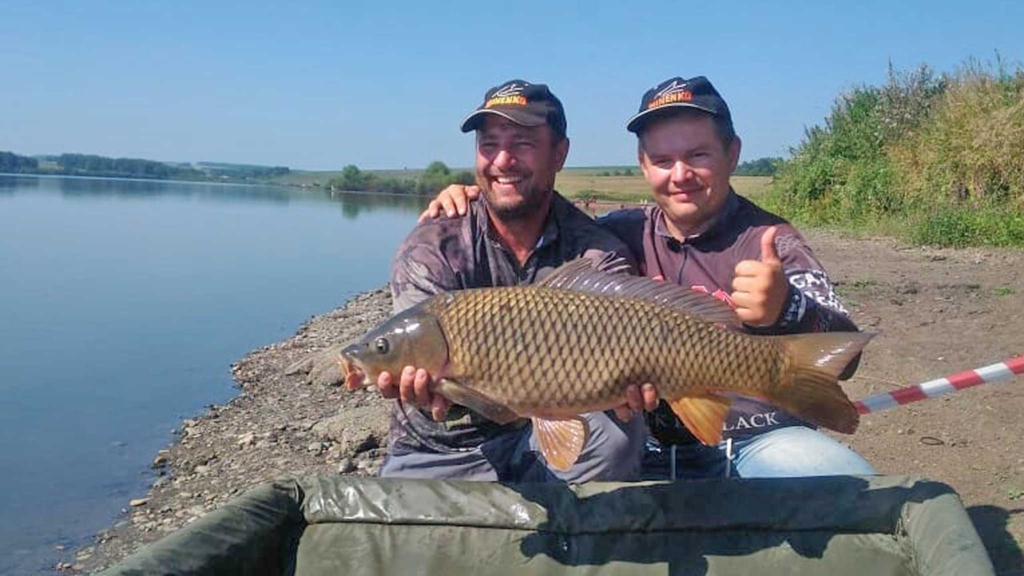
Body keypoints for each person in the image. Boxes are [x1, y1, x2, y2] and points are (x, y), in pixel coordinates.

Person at [422, 76, 876, 480]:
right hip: (643, 448)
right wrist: (472, 194)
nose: (680, 175)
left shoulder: (770, 241)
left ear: (732, 153)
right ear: (643, 164)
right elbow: (534, 207)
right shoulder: (619, 232)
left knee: (846, 482)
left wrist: (786, 309)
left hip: (755, 441)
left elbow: (845, 355)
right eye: (663, 159)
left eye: (698, 154)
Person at [297, 79, 648, 482]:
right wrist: (424, 381)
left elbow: (633, 353)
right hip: (446, 444)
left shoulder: (596, 252)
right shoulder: (433, 246)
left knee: (619, 434)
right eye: (489, 144)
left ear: (560, 154)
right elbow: (437, 375)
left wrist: (634, 392)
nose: (502, 160)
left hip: (560, 427)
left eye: (523, 143)